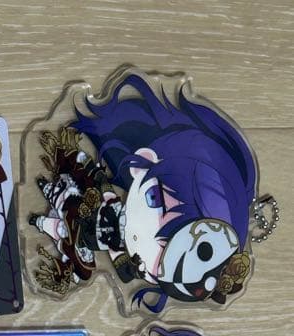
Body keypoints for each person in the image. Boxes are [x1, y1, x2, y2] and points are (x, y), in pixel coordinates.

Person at [30, 72, 257, 311]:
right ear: (142, 163)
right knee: (67, 193)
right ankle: (46, 202)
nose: (150, 239)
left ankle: (43, 219)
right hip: (79, 204)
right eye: (155, 199)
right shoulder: (114, 206)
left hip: (80, 235)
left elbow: (121, 267)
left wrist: (128, 267)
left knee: (64, 234)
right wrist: (97, 178)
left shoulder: (122, 249)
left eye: (159, 266)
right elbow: (102, 188)